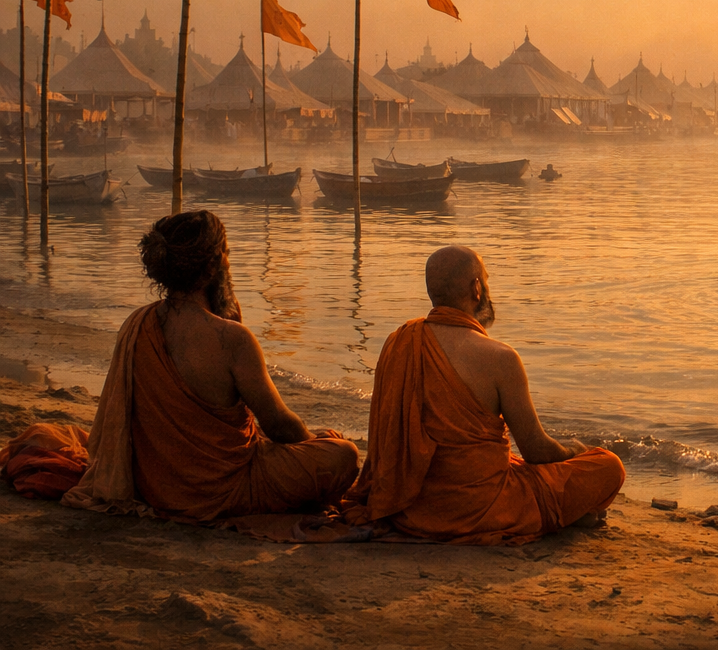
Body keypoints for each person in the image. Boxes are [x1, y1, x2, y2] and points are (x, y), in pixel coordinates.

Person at [63, 210, 359, 520]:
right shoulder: (231, 338)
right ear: (214, 266)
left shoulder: (136, 324)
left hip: (155, 485)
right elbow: (279, 426)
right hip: (224, 488)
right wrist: (313, 445)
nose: (230, 263)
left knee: (325, 436)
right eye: (227, 254)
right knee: (343, 453)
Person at [342, 245, 625, 544]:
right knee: (608, 465)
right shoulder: (500, 357)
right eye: (486, 279)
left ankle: (567, 511)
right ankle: (564, 512)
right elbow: (537, 451)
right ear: (477, 288)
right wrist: (576, 451)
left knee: (513, 462)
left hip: (406, 507)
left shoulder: (398, 342)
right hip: (481, 507)